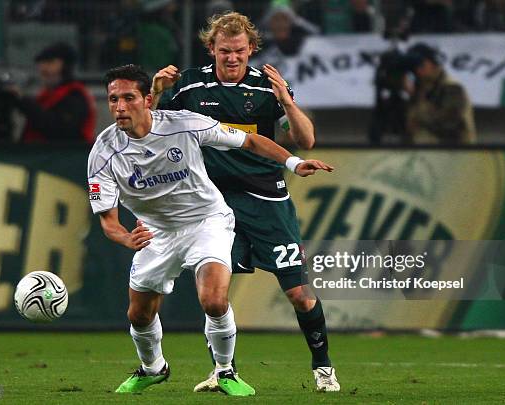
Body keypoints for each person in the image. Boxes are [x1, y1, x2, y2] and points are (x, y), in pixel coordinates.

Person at [88, 64, 333, 396]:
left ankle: (225, 371)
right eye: (113, 99)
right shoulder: (103, 152)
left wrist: (292, 162)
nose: (119, 107)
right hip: (158, 232)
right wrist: (125, 237)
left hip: (207, 220)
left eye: (128, 98)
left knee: (214, 300)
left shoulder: (185, 125)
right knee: (139, 314)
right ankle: (153, 368)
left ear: (148, 99)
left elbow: (249, 140)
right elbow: (108, 221)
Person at [151, 12, 341, 392]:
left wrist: (287, 101)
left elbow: (305, 140)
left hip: (268, 200)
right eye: (224, 51)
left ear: (252, 49)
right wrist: (155, 90)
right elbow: (151, 126)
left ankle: (323, 368)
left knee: (300, 295)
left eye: (239, 51)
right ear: (211, 49)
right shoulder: (188, 86)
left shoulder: (267, 88)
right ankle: (224, 371)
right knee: (214, 293)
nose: (232, 58)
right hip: (213, 206)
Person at [9, 42, 96, 143]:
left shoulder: (75, 95)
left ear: (65, 66)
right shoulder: (45, 96)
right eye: (42, 64)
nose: (43, 69)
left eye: (50, 63)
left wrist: (23, 102)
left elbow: (60, 130)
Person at [404, 42, 477, 144]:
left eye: (421, 65)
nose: (418, 70)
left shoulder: (452, 88)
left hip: (454, 152)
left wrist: (418, 100)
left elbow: (449, 125)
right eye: (413, 67)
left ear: (433, 63)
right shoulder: (421, 87)